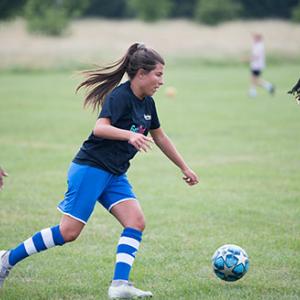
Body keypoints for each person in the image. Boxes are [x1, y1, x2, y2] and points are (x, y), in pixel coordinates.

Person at [0, 43, 199, 299]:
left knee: (135, 222)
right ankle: (6, 259)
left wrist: (184, 167)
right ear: (140, 73)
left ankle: (119, 285)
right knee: (68, 232)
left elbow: (160, 137)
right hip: (90, 169)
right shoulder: (120, 96)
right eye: (158, 74)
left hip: (114, 174)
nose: (162, 81)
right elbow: (100, 128)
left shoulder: (147, 103)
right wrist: (129, 136)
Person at [248, 33, 275, 98]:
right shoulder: (256, 45)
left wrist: (247, 59)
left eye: (255, 38)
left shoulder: (259, 46)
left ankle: (268, 86)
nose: (253, 39)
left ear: (258, 38)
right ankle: (254, 91)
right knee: (254, 79)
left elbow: (256, 56)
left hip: (257, 65)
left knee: (254, 79)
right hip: (255, 65)